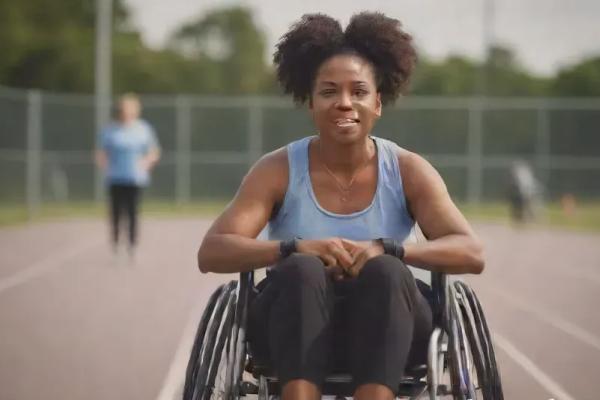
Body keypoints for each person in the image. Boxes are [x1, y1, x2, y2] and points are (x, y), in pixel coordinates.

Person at [197, 12, 484, 400]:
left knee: (386, 270)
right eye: (329, 92)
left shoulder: (408, 170)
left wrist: (390, 248)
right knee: (300, 269)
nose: (344, 103)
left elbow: (471, 253)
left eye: (359, 92)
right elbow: (212, 252)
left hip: (392, 324)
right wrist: (293, 247)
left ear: (378, 103)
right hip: (292, 325)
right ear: (311, 103)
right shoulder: (277, 169)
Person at [95, 93, 160, 259]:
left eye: (129, 110)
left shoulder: (143, 129)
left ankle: (132, 246)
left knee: (132, 213)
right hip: (115, 178)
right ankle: (116, 245)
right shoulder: (110, 130)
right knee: (116, 213)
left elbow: (154, 152)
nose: (125, 113)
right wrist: (104, 164)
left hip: (135, 178)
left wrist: (146, 162)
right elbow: (101, 152)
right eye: (123, 110)